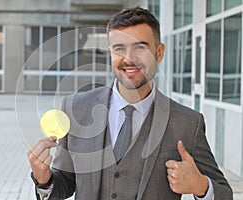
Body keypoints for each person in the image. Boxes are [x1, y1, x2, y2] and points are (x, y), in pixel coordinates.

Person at [27, 7, 233, 200]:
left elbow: (224, 192)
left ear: (158, 53)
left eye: (139, 47)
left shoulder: (187, 123)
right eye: (119, 49)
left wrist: (201, 186)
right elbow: (65, 182)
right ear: (110, 53)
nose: (128, 59)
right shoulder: (76, 109)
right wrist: (44, 180)